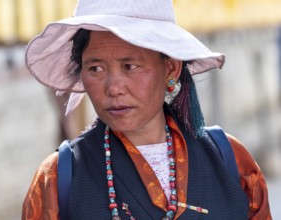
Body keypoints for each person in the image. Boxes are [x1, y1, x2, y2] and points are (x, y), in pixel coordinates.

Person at [22, 0, 272, 219]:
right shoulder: (57, 178)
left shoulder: (231, 160)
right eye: (95, 69)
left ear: (171, 69)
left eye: (130, 66)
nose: (113, 88)